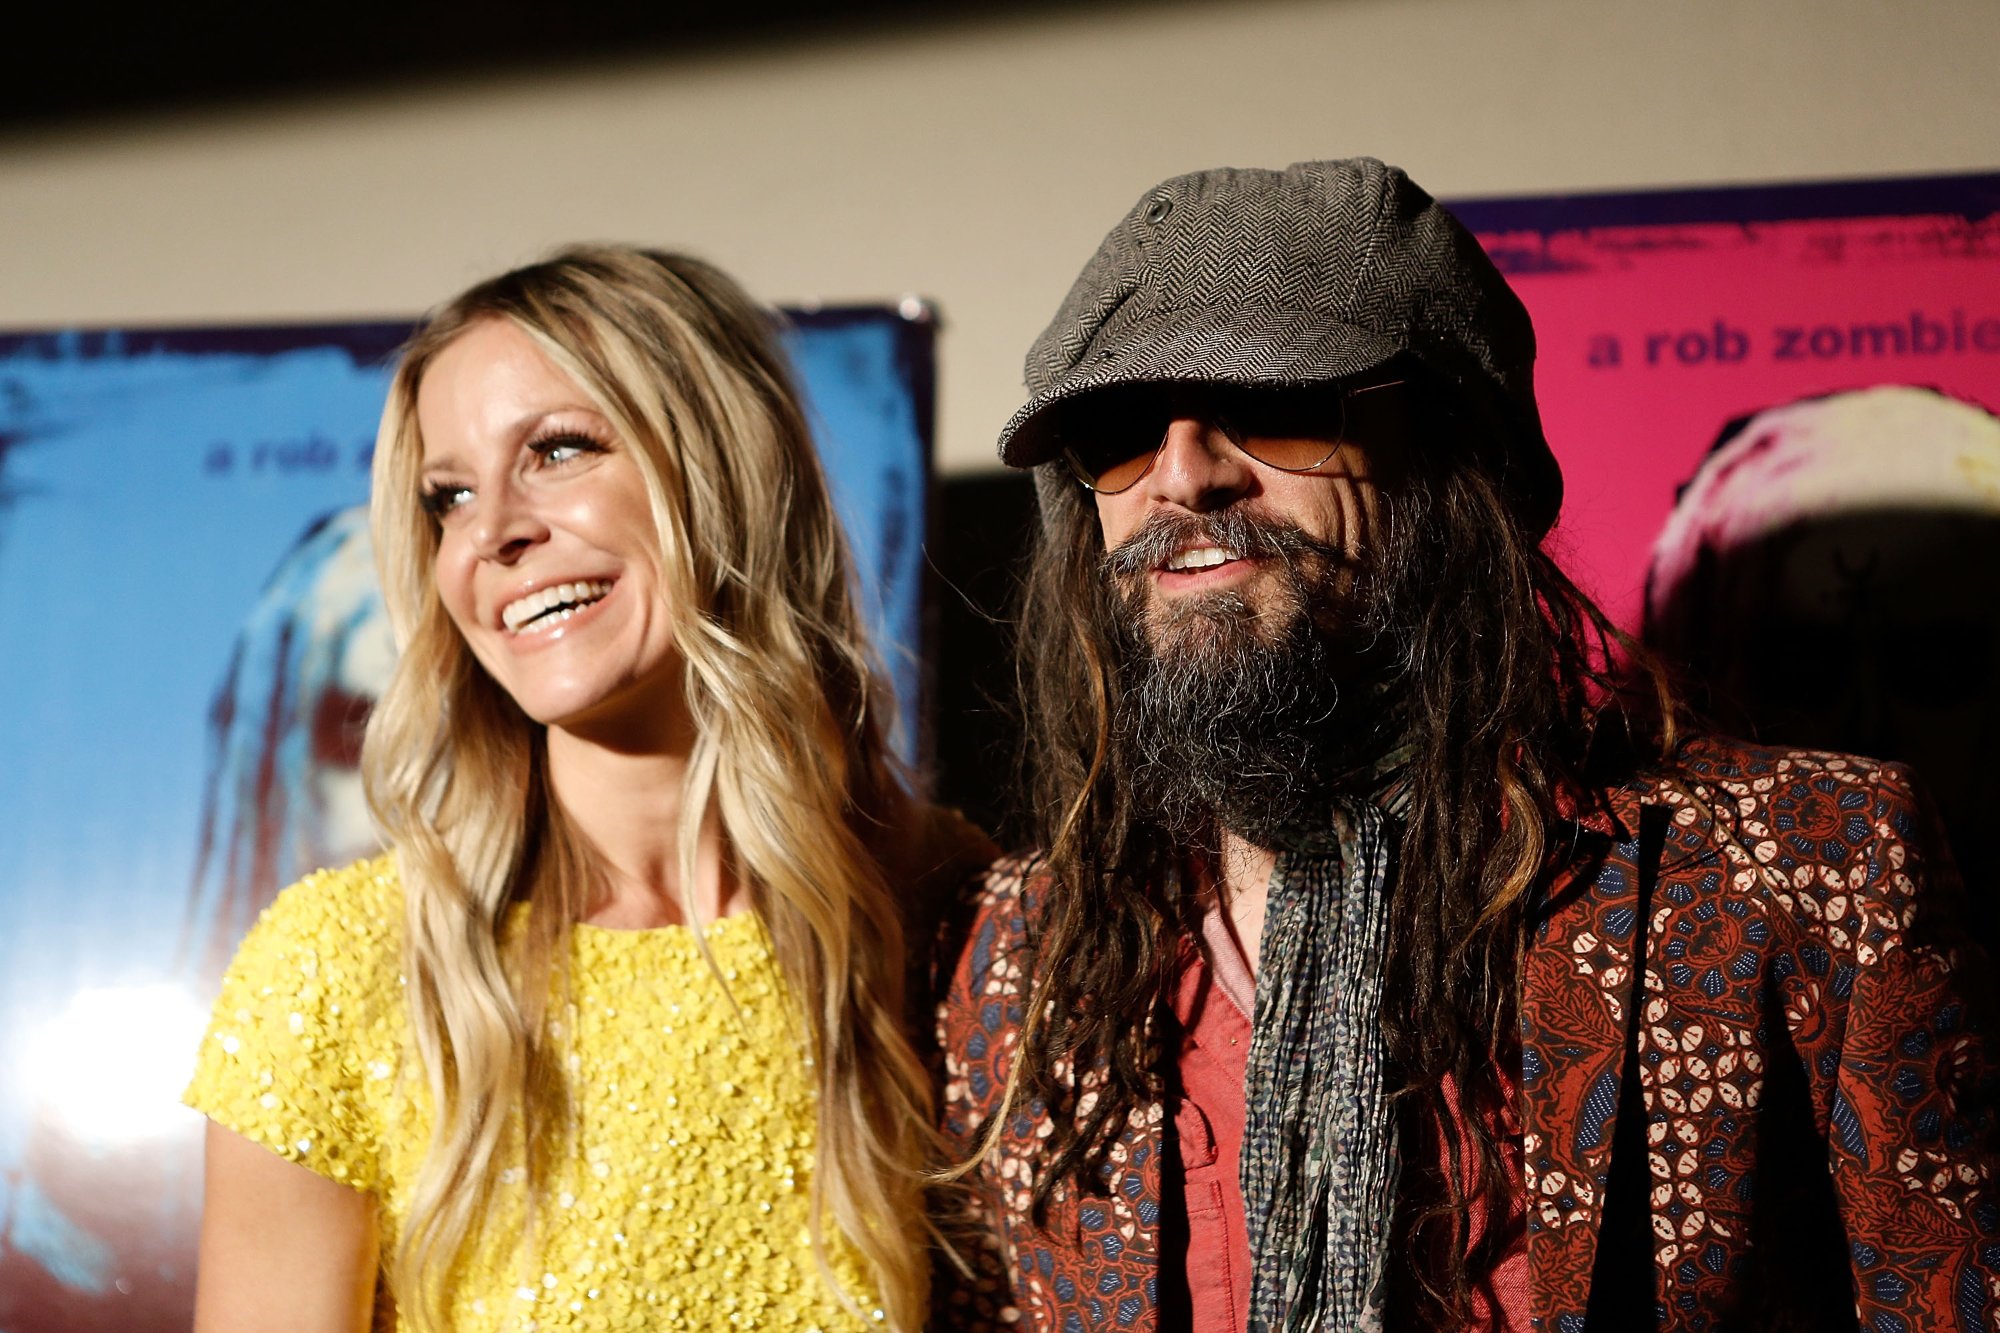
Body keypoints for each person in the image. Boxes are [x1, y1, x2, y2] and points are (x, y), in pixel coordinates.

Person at [934, 159, 1999, 1332]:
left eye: (1274, 398)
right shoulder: (1024, 955)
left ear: (1455, 460)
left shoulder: (1803, 868)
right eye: (1120, 436)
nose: (1183, 473)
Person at [184, 246, 977, 1332]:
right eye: (447, 497)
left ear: (719, 468)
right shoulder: (344, 969)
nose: (492, 532)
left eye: (556, 450)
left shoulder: (952, 913)